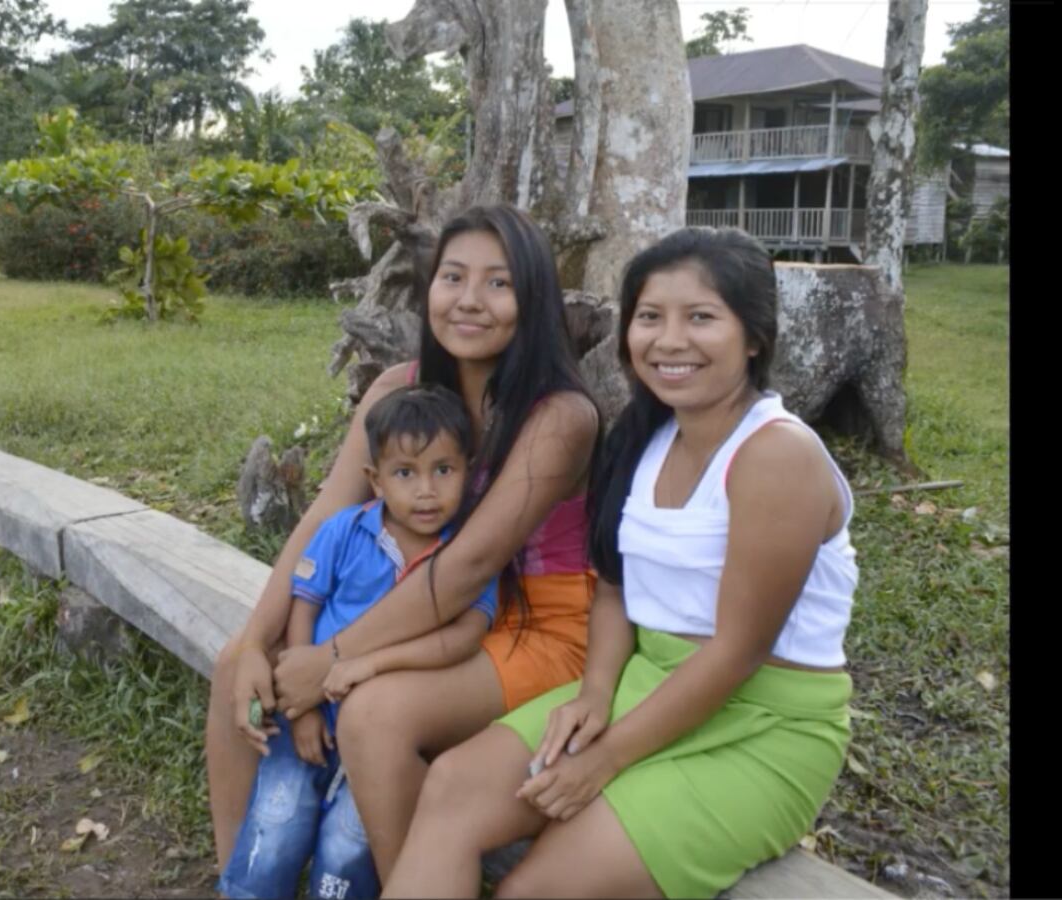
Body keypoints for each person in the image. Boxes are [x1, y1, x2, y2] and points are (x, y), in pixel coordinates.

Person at [381, 226, 858, 898]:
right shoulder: (647, 435)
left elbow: (736, 654)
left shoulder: (776, 457)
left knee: (533, 890)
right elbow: (612, 588)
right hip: (647, 682)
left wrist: (604, 759)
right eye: (649, 317)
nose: (669, 341)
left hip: (763, 726)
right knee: (452, 790)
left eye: (700, 318)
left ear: (754, 336)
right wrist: (595, 695)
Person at [205, 204, 602, 880]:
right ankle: (238, 881)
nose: (470, 301)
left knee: (375, 713)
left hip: (536, 628)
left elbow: (468, 564)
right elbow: (324, 519)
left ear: (532, 299)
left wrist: (328, 656)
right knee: (232, 672)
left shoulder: (559, 416)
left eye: (498, 283)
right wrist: (254, 641)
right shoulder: (398, 389)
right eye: (453, 277)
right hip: (411, 599)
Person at [218, 384, 499, 900]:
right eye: (404, 473)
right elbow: (304, 609)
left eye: (444, 470)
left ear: (469, 470)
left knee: (347, 846)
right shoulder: (346, 531)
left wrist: (373, 664)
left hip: (381, 738)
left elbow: (465, 637)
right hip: (309, 717)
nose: (426, 491)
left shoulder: (465, 551)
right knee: (276, 820)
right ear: (374, 480)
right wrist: (300, 710)